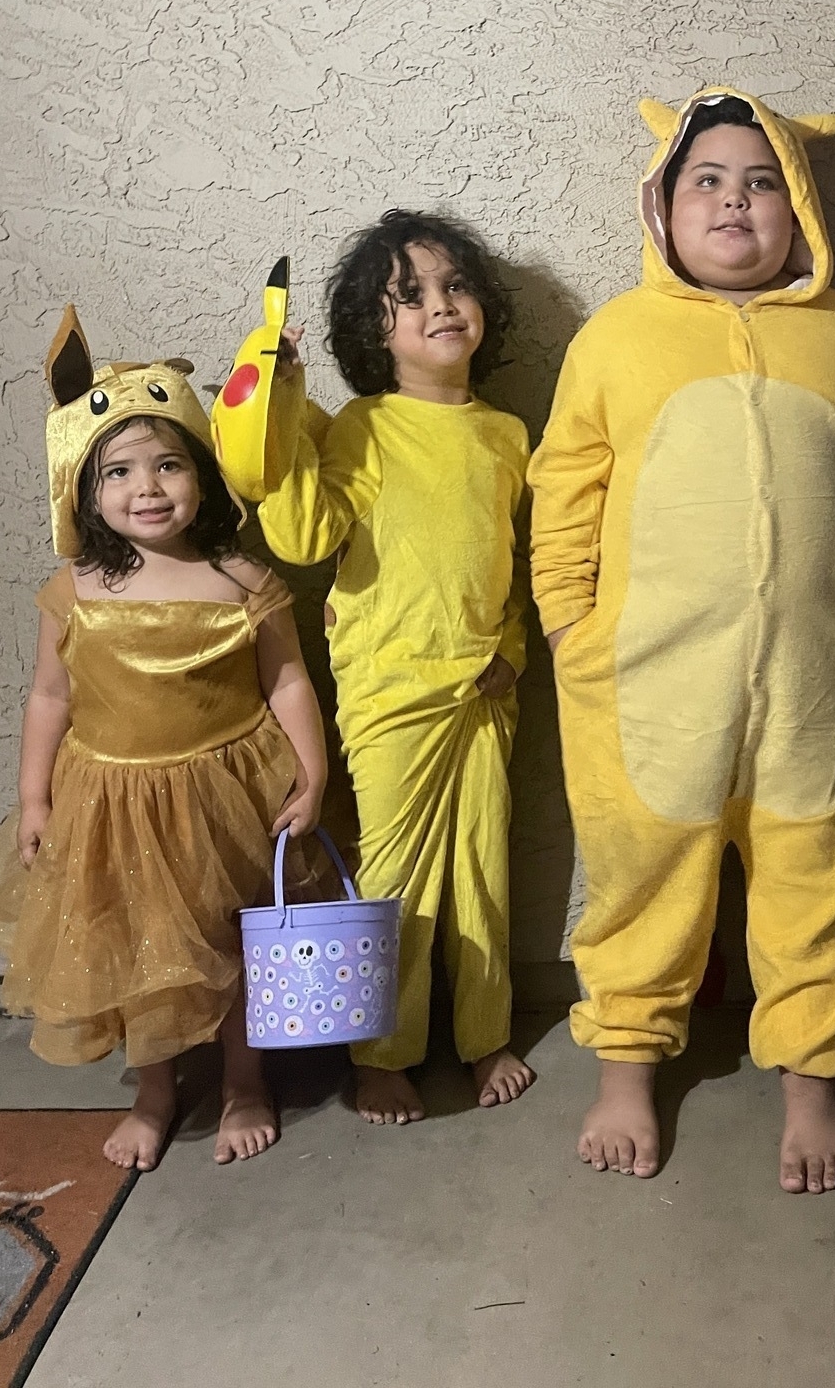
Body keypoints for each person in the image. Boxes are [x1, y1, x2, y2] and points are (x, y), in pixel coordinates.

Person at [529, 89, 835, 1193]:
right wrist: (570, 621)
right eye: (707, 179)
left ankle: (814, 1077)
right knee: (642, 870)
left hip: (830, 680)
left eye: (762, 181)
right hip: (650, 679)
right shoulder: (617, 334)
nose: (735, 201)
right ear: (664, 207)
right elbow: (565, 485)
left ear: (799, 208)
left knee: (826, 872)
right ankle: (626, 1066)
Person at [0, 310, 328, 1171]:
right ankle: (157, 1088)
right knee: (137, 951)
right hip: (112, 801)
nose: (150, 487)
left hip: (229, 792)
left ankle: (246, 1077)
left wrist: (312, 775)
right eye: (121, 471)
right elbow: (49, 696)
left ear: (203, 474)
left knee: (240, 938)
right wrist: (34, 796)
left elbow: (288, 682)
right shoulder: (77, 588)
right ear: (85, 494)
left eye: (169, 463)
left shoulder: (240, 578)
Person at [256, 210, 535, 1125]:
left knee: (484, 867)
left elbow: (516, 562)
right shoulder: (363, 428)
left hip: (485, 690)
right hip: (390, 693)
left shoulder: (507, 435)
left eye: (455, 286)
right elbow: (303, 534)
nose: (440, 306)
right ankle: (381, 1053)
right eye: (408, 297)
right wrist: (284, 411)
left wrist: (513, 648)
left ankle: (485, 1034)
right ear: (371, 333)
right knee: (397, 875)